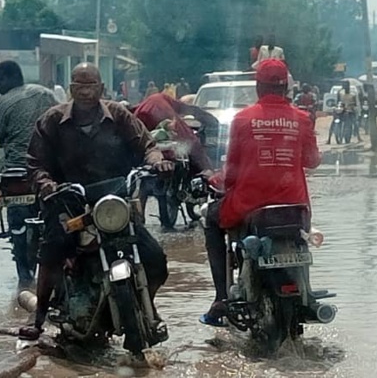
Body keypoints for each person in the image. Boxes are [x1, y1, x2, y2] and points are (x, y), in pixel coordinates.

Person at [19, 63, 173, 341]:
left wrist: (157, 162)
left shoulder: (119, 115)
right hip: (69, 204)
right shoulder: (52, 121)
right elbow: (35, 164)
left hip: (114, 204)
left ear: (101, 88)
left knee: (156, 260)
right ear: (71, 89)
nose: (86, 92)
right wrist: (48, 185)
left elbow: (147, 145)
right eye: (80, 86)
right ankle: (38, 317)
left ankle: (146, 306)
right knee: (52, 252)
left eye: (91, 86)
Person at [200, 59, 320, 326]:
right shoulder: (302, 119)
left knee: (209, 220)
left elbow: (231, 173)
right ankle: (307, 293)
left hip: (249, 207)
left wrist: (214, 179)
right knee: (302, 242)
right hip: (295, 209)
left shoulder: (242, 119)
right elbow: (312, 160)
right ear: (286, 88)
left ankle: (221, 297)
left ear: (258, 86)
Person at [0, 61, 59, 279]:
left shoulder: (4, 102)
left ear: (10, 79)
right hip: (48, 168)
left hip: (14, 172)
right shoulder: (47, 94)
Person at [133, 91, 216, 178]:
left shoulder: (147, 103)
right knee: (190, 142)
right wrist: (205, 166)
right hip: (160, 114)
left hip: (141, 125)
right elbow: (190, 111)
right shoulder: (162, 102)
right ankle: (208, 172)